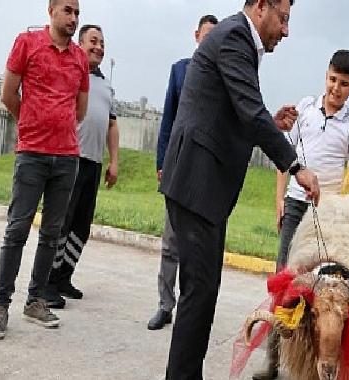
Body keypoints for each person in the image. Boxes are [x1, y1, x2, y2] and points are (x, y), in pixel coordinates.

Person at [158, 0, 319, 378]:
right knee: (200, 294)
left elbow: (234, 111)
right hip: (198, 184)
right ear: (261, 7)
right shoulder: (234, 36)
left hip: (204, 189)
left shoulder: (239, 40)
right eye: (283, 18)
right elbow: (248, 109)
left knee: (201, 293)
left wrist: (269, 124)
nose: (286, 30)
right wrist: (295, 165)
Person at [253, 49, 349, 380]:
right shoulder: (303, 110)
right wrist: (279, 202)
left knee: (323, 292)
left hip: (327, 215)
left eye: (344, 84)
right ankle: (273, 362)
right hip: (296, 205)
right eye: (332, 80)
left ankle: (318, 363)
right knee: (284, 283)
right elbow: (282, 158)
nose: (336, 89)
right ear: (326, 75)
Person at [0, 0, 88, 340]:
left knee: (52, 234)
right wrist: (30, 124)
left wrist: (59, 132)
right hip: (31, 154)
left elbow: (80, 110)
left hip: (67, 158)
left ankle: (36, 300)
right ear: (51, 10)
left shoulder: (80, 59)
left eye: (77, 13)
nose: (73, 18)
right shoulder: (26, 43)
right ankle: (1, 307)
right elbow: (8, 94)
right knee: (17, 230)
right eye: (68, 10)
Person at [148, 14, 219, 331]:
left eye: (215, 37)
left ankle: (190, 314)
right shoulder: (180, 70)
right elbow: (168, 122)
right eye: (206, 35)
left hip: (206, 176)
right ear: (196, 36)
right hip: (178, 167)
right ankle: (165, 305)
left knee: (199, 247)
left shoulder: (224, 74)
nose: (210, 41)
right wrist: (162, 162)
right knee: (171, 242)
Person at [43, 24, 119, 308]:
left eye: (102, 43)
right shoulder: (71, 72)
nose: (98, 47)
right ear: (80, 43)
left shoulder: (106, 85)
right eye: (93, 41)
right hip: (69, 158)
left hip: (94, 164)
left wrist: (114, 161)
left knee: (80, 226)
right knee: (62, 222)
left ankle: (64, 276)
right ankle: (48, 281)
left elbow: (112, 124)